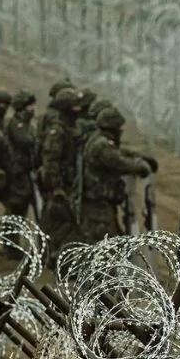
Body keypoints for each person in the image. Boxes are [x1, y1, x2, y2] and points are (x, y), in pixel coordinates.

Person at [79, 108, 151, 242]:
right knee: (108, 248)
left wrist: (138, 156)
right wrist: (141, 166)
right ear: (112, 128)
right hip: (98, 208)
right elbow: (119, 162)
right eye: (119, 128)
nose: (121, 131)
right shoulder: (102, 145)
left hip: (100, 206)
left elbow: (118, 152)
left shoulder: (98, 139)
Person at [38, 87, 86, 260]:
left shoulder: (73, 129)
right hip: (60, 186)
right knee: (58, 222)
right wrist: (56, 187)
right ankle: (51, 257)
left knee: (69, 222)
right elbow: (50, 162)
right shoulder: (57, 132)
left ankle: (57, 256)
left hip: (72, 183)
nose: (77, 111)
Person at [4, 90, 38, 220]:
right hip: (18, 175)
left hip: (29, 174)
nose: (33, 109)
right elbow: (25, 141)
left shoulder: (29, 124)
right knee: (16, 212)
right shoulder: (15, 124)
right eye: (30, 106)